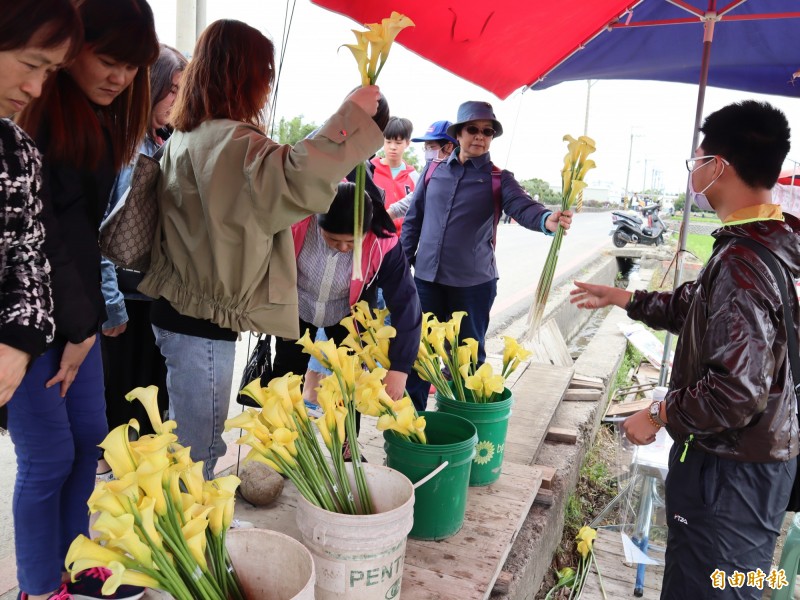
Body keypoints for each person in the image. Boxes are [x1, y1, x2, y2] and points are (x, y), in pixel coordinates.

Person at [570, 100, 798, 600]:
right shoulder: (771, 240)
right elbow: (698, 309)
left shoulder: (743, 262)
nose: (694, 168)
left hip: (730, 469)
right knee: (737, 581)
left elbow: (737, 391)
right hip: (761, 461)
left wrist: (659, 412)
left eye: (699, 158)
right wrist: (625, 297)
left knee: (711, 587)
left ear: (719, 165)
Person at [138, 19, 384, 480]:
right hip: (201, 326)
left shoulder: (192, 134)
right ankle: (198, 546)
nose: (268, 84)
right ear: (245, 75)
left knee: (185, 441)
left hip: (180, 314)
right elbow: (295, 178)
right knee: (199, 451)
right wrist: (352, 116)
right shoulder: (234, 142)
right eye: (264, 73)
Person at [13, 2, 159, 599]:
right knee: (47, 458)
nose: (118, 77)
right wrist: (77, 329)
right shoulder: (34, 119)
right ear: (72, 46)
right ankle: (40, 585)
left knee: (89, 438)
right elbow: (42, 241)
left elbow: (81, 238)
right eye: (107, 59)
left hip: (75, 318)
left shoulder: (96, 119)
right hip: (27, 321)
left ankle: (77, 561)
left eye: (132, 66)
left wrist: (86, 326)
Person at [401, 101, 572, 410]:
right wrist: (402, 265)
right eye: (472, 130)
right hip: (426, 279)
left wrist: (548, 220)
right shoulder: (432, 171)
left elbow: (523, 206)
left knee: (465, 357)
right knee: (420, 352)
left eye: (487, 131)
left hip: (472, 286)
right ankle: (411, 421)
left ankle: (461, 420)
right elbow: (414, 220)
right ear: (458, 133)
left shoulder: (498, 178)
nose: (479, 137)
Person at [272, 181, 422, 451]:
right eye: (332, 239)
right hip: (295, 309)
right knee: (286, 378)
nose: (342, 247)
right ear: (318, 223)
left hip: (347, 315)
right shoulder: (296, 225)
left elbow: (407, 304)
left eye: (352, 242)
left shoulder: (384, 243)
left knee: (348, 384)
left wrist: (400, 367)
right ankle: (285, 449)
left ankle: (347, 449)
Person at [99, 44, 188, 448]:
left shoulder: (165, 143)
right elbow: (100, 235)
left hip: (155, 293)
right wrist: (111, 302)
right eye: (172, 89)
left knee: (152, 406)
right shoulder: (124, 147)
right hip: (122, 296)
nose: (176, 100)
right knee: (119, 402)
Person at [0, 0, 75, 412]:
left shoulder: (16, 149)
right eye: (31, 64)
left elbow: (29, 257)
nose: (36, 88)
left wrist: (19, 342)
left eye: (48, 72)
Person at [386, 119, 456, 221]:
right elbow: (415, 198)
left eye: (431, 147)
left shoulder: (461, 177)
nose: (428, 152)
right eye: (426, 148)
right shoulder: (429, 172)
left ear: (449, 147)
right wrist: (388, 214)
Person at [368, 116, 418, 232]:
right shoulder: (370, 169)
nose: (392, 147)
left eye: (398, 143)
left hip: (402, 240)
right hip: (374, 236)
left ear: (407, 143)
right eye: (388, 142)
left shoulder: (414, 176)